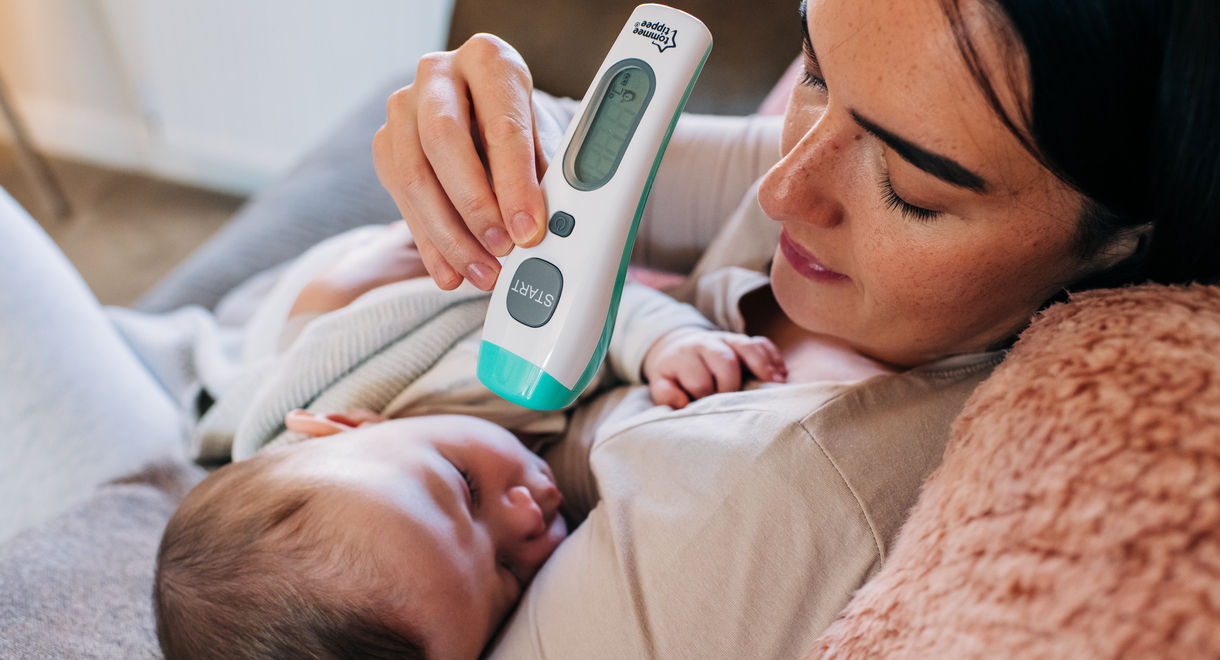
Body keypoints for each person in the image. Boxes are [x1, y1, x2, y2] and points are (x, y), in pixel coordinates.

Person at [371, 0, 1219, 657]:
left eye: (912, 190)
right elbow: (585, 175)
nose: (782, 189)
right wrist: (486, 131)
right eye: (815, 71)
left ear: (1120, 238)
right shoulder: (851, 166)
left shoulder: (756, 516)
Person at [150, 218, 788, 659]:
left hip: (353, 298)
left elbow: (579, 308)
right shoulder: (385, 493)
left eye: (464, 485)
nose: (522, 518)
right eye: (507, 573)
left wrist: (665, 341)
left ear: (354, 423)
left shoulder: (471, 380)